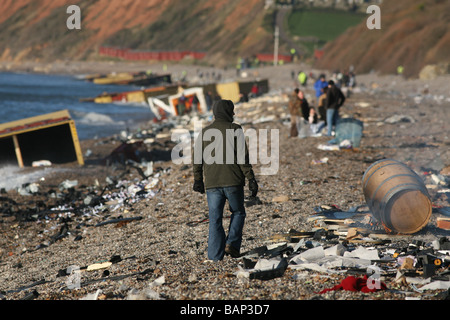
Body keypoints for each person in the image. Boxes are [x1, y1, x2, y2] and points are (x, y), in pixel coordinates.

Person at [193, 100, 258, 262]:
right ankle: (232, 244)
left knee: (214, 219)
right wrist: (251, 178)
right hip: (233, 181)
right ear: (229, 113)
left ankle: (215, 257)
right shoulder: (235, 129)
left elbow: (197, 158)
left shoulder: (205, 132)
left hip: (212, 183)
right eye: (232, 111)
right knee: (238, 212)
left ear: (215, 113)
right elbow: (243, 157)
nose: (234, 114)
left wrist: (198, 179)